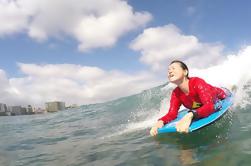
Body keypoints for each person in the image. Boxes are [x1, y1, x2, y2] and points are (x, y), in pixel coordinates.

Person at [150, 60, 228, 136]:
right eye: (168, 70)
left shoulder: (197, 83)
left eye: (173, 68)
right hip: (199, 104)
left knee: (221, 99)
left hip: (218, 94)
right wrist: (161, 121)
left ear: (185, 72)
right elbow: (172, 113)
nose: (170, 71)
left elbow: (209, 105)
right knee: (199, 106)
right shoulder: (176, 93)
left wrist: (191, 114)